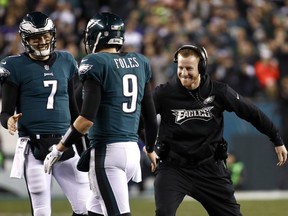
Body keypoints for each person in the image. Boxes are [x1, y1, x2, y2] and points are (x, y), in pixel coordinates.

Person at [151, 44, 287, 216]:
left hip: (210, 169)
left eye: (189, 68)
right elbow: (141, 118)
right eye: (180, 67)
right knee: (163, 212)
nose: (184, 73)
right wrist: (148, 146)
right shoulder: (164, 93)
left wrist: (276, 138)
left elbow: (252, 113)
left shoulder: (218, 91)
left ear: (201, 67)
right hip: (173, 168)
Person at [43, 12, 158, 216]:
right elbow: (149, 116)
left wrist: (59, 148)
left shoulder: (95, 62)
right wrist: (150, 147)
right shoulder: (139, 61)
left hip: (108, 154)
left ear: (95, 37)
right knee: (91, 211)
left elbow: (86, 120)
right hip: (132, 151)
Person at [0, 11, 90, 216]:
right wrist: (9, 121)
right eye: (35, 37)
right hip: (34, 147)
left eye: (45, 36)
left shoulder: (66, 60)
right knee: (41, 212)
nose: (42, 41)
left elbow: (74, 109)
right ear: (26, 40)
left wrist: (82, 143)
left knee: (87, 208)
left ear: (52, 35)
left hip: (64, 143)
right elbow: (5, 112)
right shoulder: (13, 65)